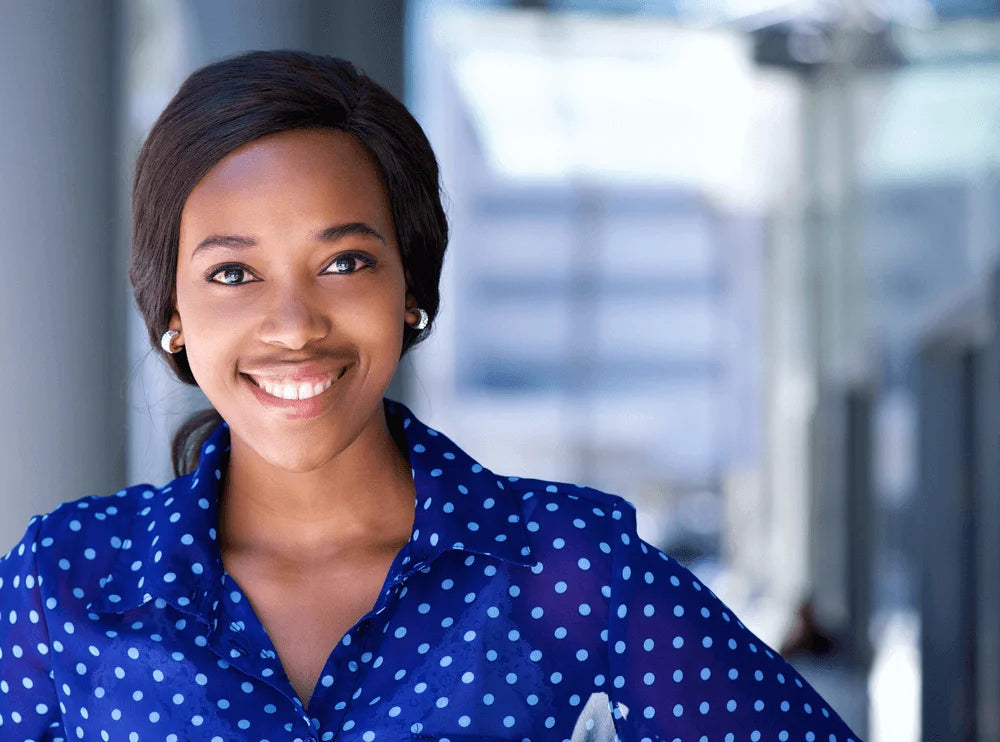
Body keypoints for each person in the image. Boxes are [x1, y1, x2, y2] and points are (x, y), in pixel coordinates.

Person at [0, 50, 861, 742]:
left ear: (410, 286)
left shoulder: (568, 569)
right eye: (233, 273)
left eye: (344, 262)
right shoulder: (66, 581)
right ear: (173, 313)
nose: (293, 325)